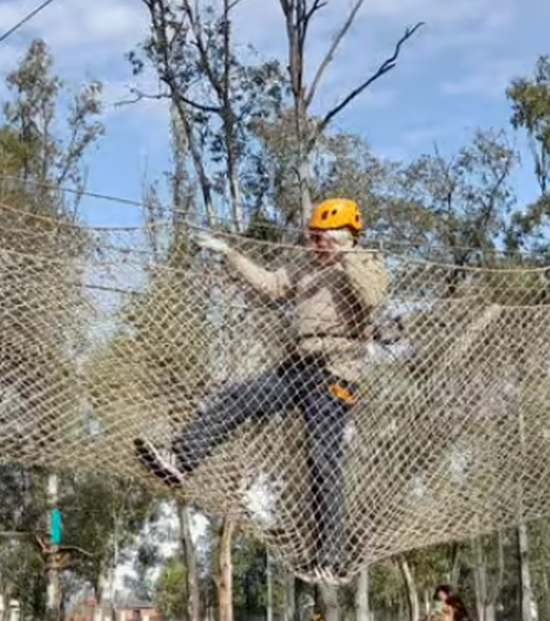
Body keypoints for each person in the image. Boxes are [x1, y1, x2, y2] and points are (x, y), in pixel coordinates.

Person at [133, 198, 390, 578]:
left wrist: (344, 254)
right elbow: (271, 285)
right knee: (238, 397)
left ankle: (329, 557)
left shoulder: (367, 262)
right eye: (312, 238)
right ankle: (180, 459)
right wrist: (230, 255)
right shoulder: (305, 266)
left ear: (345, 236)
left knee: (323, 459)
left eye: (321, 239)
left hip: (335, 374)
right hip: (297, 368)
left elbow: (372, 297)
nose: (313, 246)